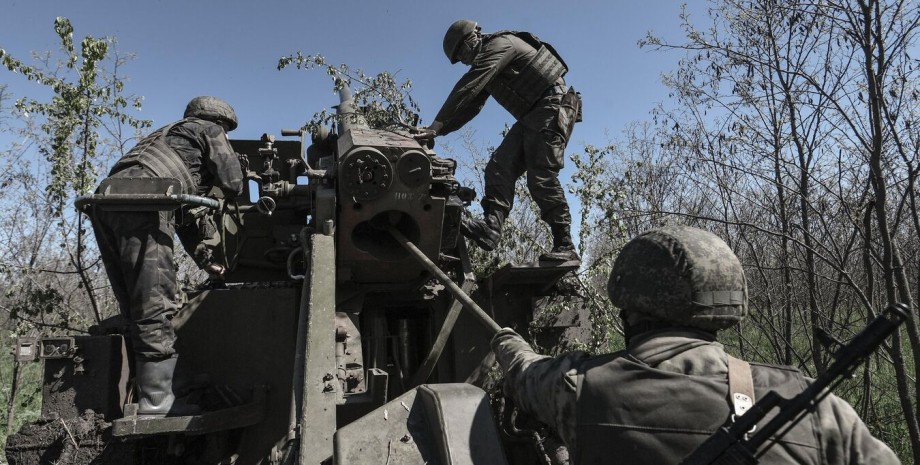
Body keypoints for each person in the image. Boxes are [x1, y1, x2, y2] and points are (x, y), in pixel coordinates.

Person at [491, 225, 901, 464]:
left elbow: (525, 372)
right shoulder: (816, 407)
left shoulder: (580, 391)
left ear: (628, 310)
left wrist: (507, 339)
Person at [88, 96, 243, 417]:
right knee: (155, 300)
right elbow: (233, 181)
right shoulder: (208, 129)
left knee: (134, 303)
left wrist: (206, 261)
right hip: (144, 202)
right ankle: (157, 403)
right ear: (221, 122)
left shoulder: (163, 141)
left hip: (105, 200)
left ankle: (160, 389)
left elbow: (185, 217)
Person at [414, 20, 582, 262]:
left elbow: (470, 84)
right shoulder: (488, 62)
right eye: (459, 57)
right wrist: (438, 131)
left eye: (462, 52)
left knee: (541, 176)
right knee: (499, 167)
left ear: (475, 37)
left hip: (552, 105)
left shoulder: (500, 45)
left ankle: (565, 245)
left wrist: (435, 125)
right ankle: (491, 229)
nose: (463, 60)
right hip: (532, 115)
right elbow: (472, 105)